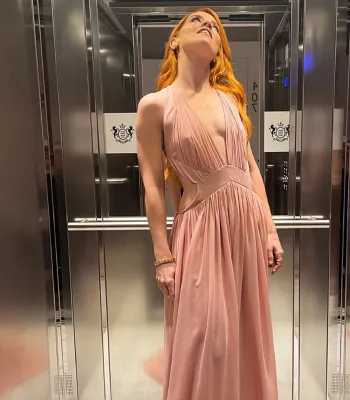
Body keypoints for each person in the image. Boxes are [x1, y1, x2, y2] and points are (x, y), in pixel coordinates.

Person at [136, 8, 283, 400]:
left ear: (219, 49)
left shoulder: (230, 101)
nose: (209, 25)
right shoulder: (155, 105)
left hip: (246, 228)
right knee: (207, 338)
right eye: (197, 21)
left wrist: (269, 229)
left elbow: (250, 169)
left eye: (215, 26)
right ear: (174, 41)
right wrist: (162, 256)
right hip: (201, 231)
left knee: (247, 335)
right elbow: (152, 184)